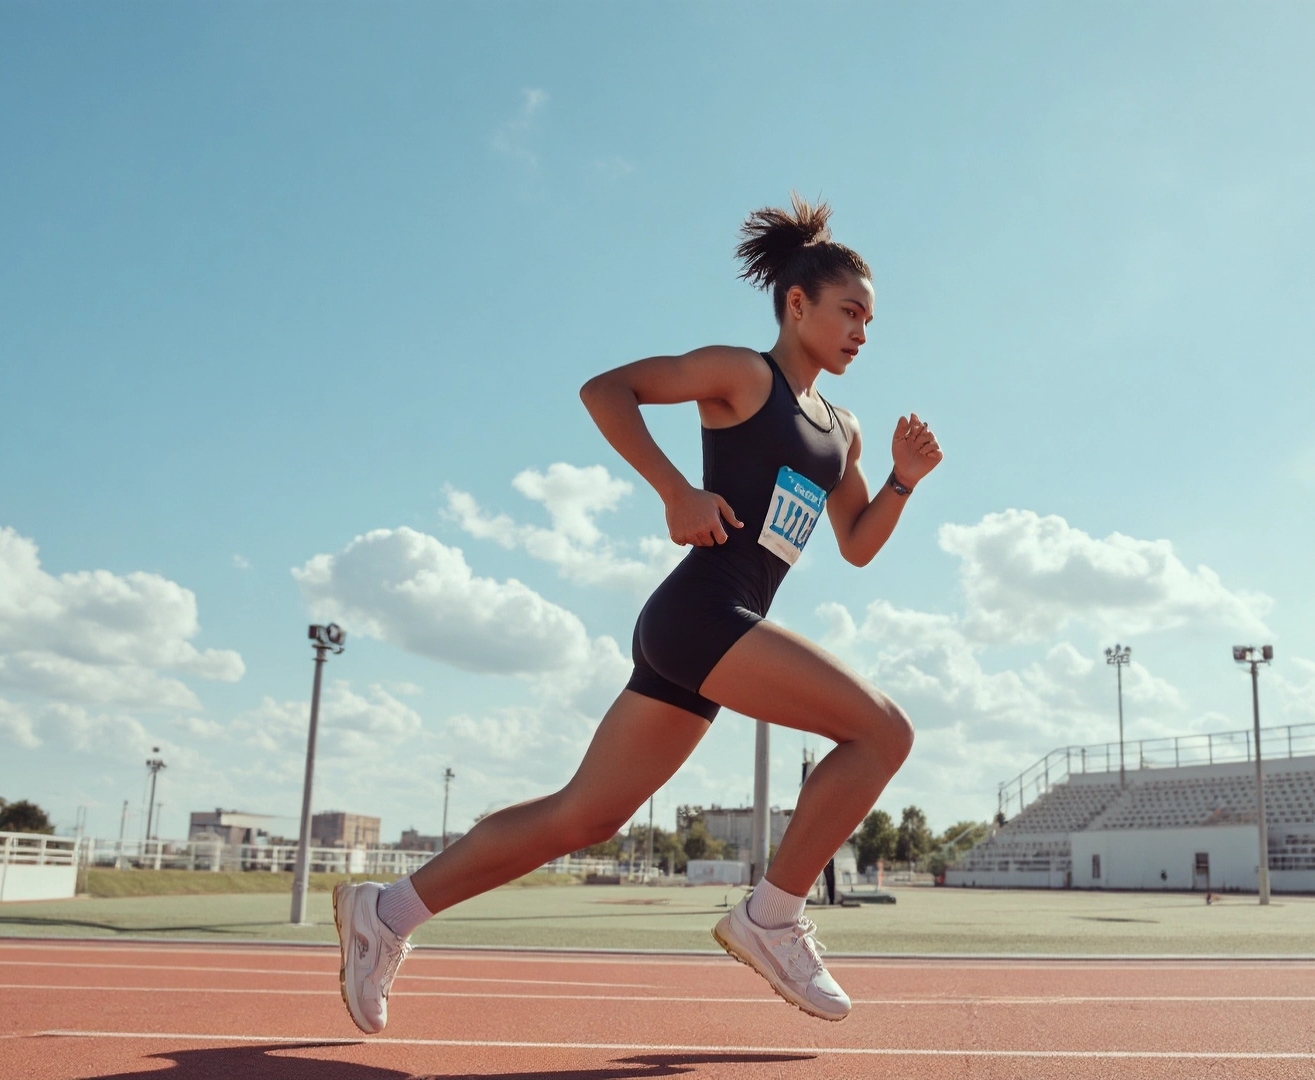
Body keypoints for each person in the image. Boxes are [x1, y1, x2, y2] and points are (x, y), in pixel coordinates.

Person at [333, 195, 942, 1031]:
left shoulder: (844, 432)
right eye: (849, 312)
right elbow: (607, 388)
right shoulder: (742, 374)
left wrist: (904, 480)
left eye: (871, 321)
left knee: (583, 814)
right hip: (704, 611)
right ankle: (770, 918)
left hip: (705, 630)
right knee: (884, 732)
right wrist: (675, 490)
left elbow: (859, 544)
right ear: (797, 304)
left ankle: (385, 912)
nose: (862, 333)